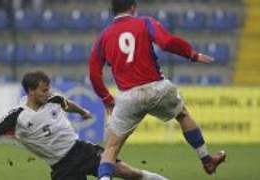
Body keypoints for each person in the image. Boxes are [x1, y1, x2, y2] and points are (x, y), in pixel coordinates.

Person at [88, 0, 227, 179]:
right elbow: (167, 42)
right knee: (182, 115)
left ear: (112, 10)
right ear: (133, 7)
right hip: (157, 88)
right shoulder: (145, 22)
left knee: (111, 149)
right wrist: (192, 54)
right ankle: (207, 160)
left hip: (128, 96)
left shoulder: (103, 36)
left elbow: (93, 73)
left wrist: (107, 99)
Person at [0, 71, 168, 180]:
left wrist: (82, 112)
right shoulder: (16, 117)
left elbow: (66, 103)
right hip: (61, 167)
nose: (48, 92)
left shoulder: (54, 99)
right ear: (31, 91)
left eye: (49, 89)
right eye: (44, 90)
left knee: (126, 172)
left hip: (80, 150)